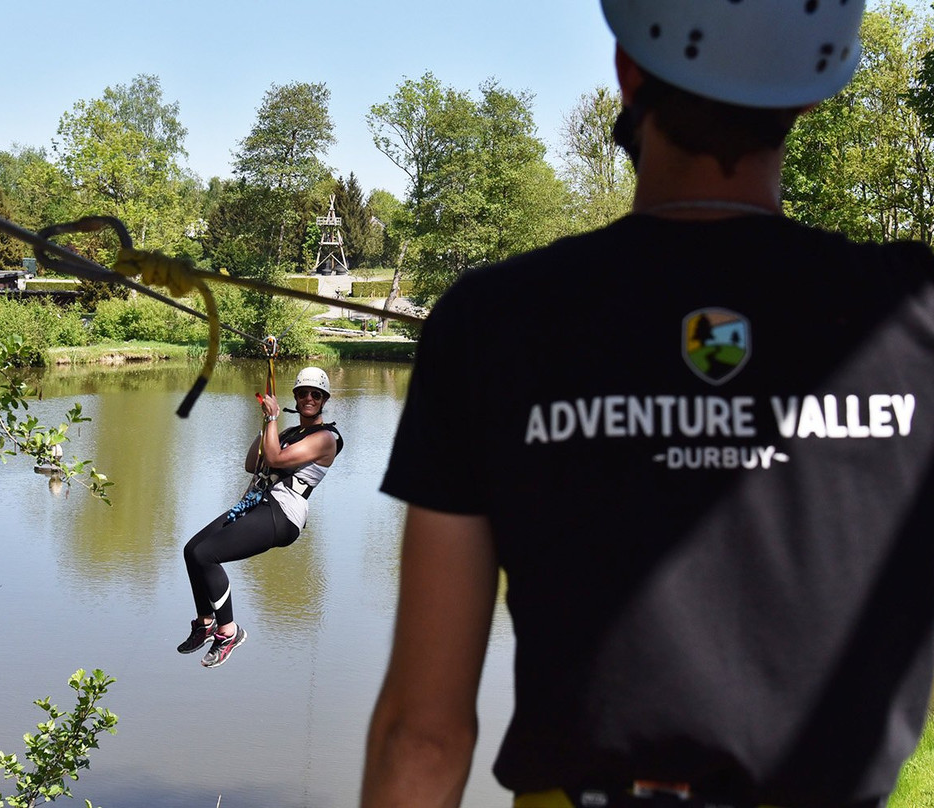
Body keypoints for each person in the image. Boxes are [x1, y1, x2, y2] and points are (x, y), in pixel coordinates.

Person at [362, 2, 934, 807]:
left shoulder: (495, 321)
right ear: (812, 93)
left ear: (627, 72)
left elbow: (424, 734)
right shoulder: (916, 319)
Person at [178, 366, 343, 668]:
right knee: (192, 550)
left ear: (323, 399)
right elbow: (252, 464)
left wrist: (272, 418)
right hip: (258, 504)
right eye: (303, 393)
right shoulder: (290, 433)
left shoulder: (326, 438)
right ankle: (205, 622)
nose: (308, 398)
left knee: (207, 555)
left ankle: (228, 631)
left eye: (315, 394)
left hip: (283, 514)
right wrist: (265, 423)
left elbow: (276, 459)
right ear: (295, 396)